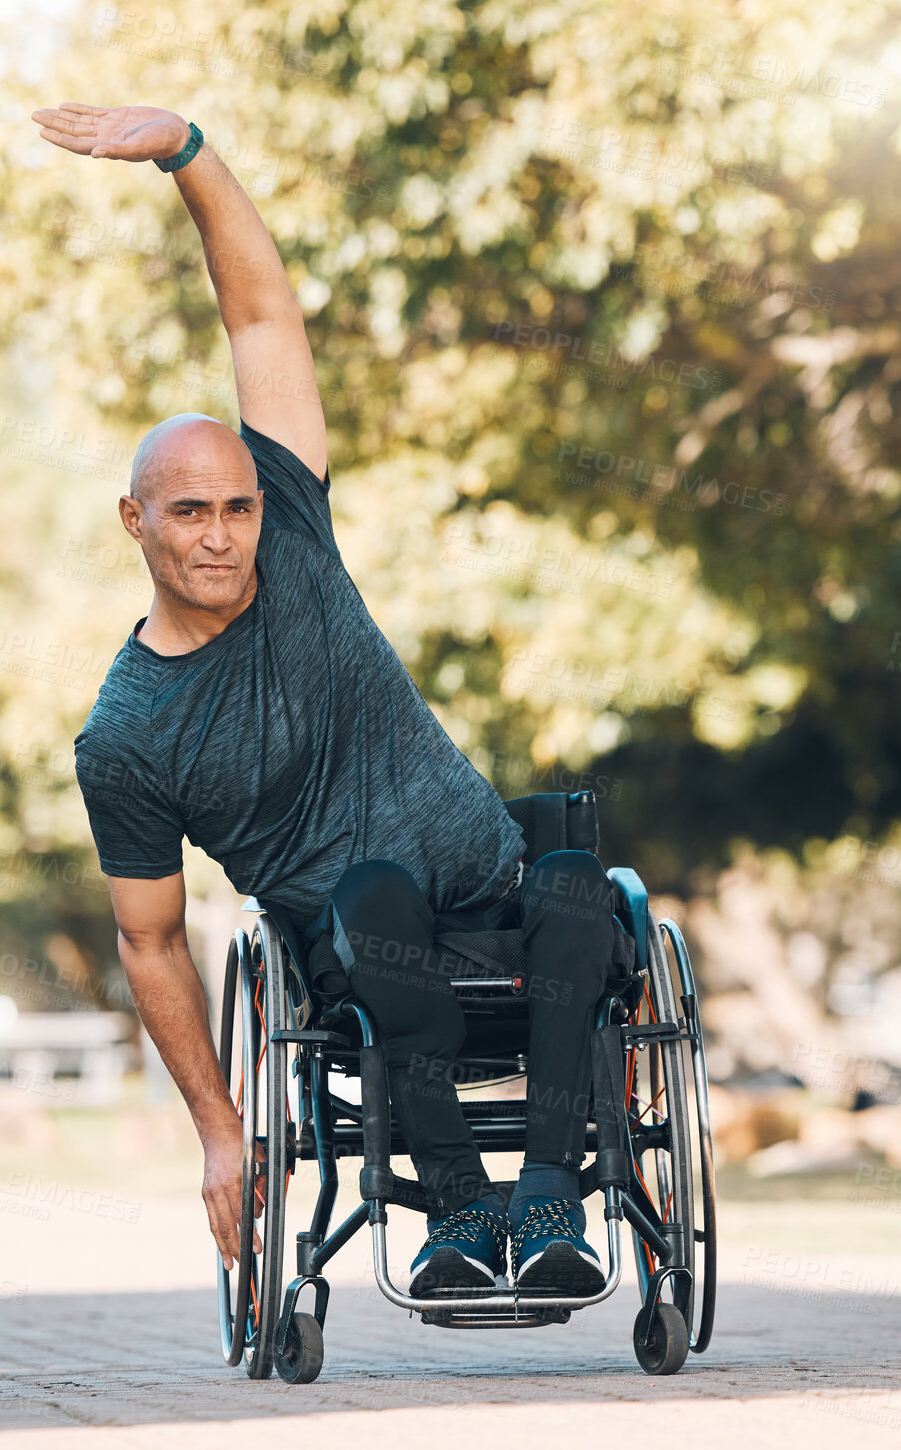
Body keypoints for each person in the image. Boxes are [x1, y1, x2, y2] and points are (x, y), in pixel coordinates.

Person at [35, 100, 622, 1296]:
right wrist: (215, 1128)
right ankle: (457, 1214)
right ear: (134, 520)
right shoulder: (127, 735)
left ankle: (555, 1198)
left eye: (235, 506)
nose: (219, 536)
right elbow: (147, 942)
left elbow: (260, 313)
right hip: (359, 953)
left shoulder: (295, 523)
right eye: (188, 512)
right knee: (371, 895)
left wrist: (186, 152)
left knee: (575, 882)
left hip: (493, 896)